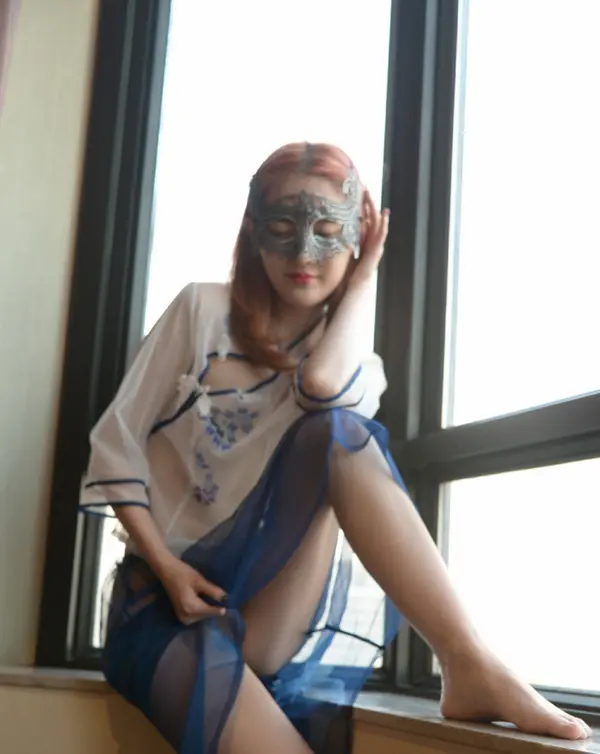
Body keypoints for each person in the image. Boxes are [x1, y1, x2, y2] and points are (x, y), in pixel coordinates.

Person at [80, 142, 591, 754]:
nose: (303, 254)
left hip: (267, 612)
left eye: (328, 233)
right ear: (254, 233)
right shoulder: (201, 310)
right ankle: (469, 663)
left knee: (338, 433)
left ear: (357, 237)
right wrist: (167, 567)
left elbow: (321, 387)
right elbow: (114, 443)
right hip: (166, 606)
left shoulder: (354, 364)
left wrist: (365, 274)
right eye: (282, 230)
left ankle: (467, 659)